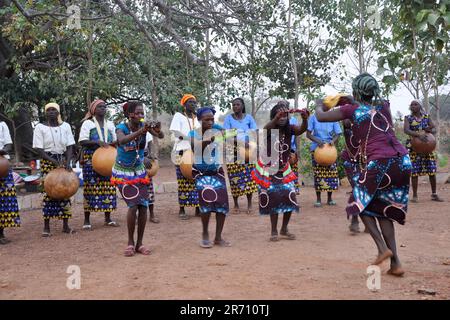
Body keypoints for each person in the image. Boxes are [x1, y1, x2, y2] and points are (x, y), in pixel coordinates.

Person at [315, 73, 412, 276]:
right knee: (382, 209)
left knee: (358, 203)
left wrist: (319, 104)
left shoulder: (352, 110)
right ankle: (396, 264)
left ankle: (381, 248)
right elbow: (371, 115)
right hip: (402, 161)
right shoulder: (384, 106)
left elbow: (321, 116)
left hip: (380, 162)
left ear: (356, 90)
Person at [252, 101, 309, 241]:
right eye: (280, 116)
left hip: (283, 169)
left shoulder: (290, 129)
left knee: (290, 196)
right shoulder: (270, 129)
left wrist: (305, 119)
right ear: (275, 116)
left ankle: (284, 228)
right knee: (274, 198)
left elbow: (302, 130)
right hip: (269, 169)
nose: (283, 118)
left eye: (285, 116)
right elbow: (266, 127)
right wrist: (275, 119)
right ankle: (274, 231)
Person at [111, 101, 153, 257]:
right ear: (130, 115)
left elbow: (159, 136)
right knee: (133, 205)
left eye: (143, 113)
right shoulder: (121, 128)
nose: (141, 116)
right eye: (138, 113)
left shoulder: (144, 129)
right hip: (123, 172)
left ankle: (139, 243)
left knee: (143, 206)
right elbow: (122, 141)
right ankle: (130, 242)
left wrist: (156, 129)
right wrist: (142, 131)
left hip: (139, 172)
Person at [189, 107, 230, 248]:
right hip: (200, 173)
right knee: (206, 203)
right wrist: (210, 138)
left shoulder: (216, 128)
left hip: (216, 171)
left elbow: (227, 133)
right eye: (207, 119)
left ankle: (218, 237)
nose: (210, 122)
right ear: (200, 120)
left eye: (212, 119)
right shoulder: (193, 133)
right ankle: (205, 233)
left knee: (222, 204)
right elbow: (195, 147)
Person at [33, 102, 76, 236]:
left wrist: (68, 162)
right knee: (48, 193)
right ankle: (46, 227)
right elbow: (39, 149)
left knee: (65, 191)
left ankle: (66, 225)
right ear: (45, 113)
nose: (51, 112)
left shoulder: (66, 126)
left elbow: (70, 146)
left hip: (63, 161)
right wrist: (52, 161)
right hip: (48, 162)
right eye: (49, 110)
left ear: (58, 112)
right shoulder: (40, 127)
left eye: (54, 110)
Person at [78, 99, 118, 230]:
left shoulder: (110, 124)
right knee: (90, 187)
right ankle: (87, 220)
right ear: (93, 109)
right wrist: (97, 143)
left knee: (108, 188)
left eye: (105, 107)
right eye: (100, 107)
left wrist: (113, 144)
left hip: (108, 158)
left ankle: (108, 218)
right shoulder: (87, 124)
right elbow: (82, 141)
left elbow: (115, 140)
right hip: (91, 158)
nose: (103, 109)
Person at [222, 98, 258, 214]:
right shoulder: (228, 118)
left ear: (242, 106)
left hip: (248, 150)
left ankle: (249, 204)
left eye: (237, 105)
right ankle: (236, 204)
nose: (235, 107)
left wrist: (252, 143)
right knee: (234, 178)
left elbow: (255, 132)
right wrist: (241, 143)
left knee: (249, 177)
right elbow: (226, 135)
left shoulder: (249, 118)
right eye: (233, 105)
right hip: (232, 151)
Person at [404, 100, 443, 203]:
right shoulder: (408, 118)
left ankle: (434, 194)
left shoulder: (426, 117)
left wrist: (429, 130)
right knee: (414, 172)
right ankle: (415, 196)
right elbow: (406, 130)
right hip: (414, 147)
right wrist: (418, 135)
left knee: (432, 170)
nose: (413, 106)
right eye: (411, 104)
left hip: (428, 147)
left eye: (415, 104)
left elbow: (433, 128)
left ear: (420, 106)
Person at [169, 94, 200, 219]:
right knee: (182, 180)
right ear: (184, 104)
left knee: (197, 179)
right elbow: (176, 131)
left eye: (194, 103)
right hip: (181, 150)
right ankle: (182, 209)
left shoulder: (196, 118)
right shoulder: (179, 116)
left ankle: (198, 208)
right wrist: (189, 138)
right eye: (190, 102)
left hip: (195, 151)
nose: (193, 104)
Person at [306, 113, 341, 207]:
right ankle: (318, 199)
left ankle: (330, 199)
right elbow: (308, 134)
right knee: (318, 174)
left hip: (329, 149)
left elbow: (338, 133)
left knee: (331, 174)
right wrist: (318, 141)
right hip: (317, 148)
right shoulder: (313, 117)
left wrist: (333, 141)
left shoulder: (333, 117)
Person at [0, 120, 20, 244]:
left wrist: (1, 151)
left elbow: (8, 145)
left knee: (4, 200)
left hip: (2, 164)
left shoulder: (2, 125)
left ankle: (1, 233)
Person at [144, 122, 164, 224]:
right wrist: (141, 158)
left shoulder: (147, 131)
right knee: (136, 190)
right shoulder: (127, 130)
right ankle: (137, 215)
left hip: (146, 161)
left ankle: (151, 215)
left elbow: (151, 144)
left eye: (142, 114)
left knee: (149, 189)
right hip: (134, 161)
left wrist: (152, 155)